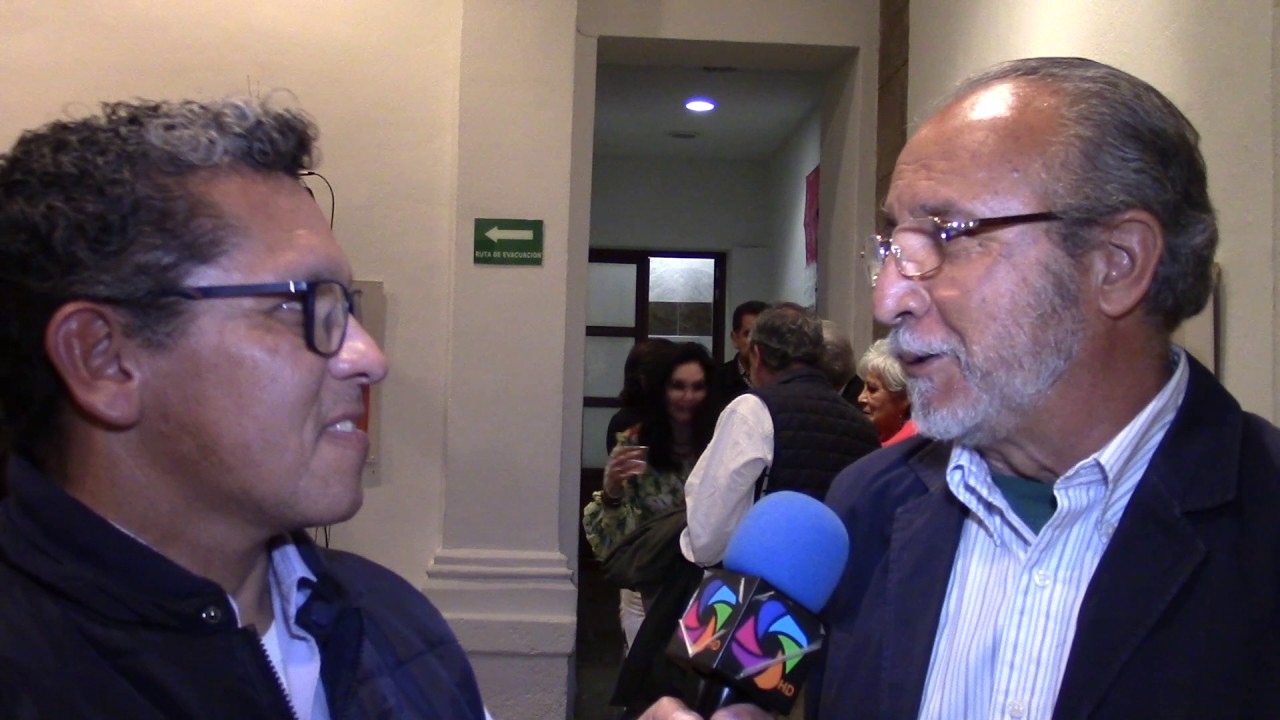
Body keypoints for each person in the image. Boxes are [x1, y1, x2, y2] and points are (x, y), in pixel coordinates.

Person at [808, 56, 1280, 719]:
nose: (888, 300)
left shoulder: (1263, 523)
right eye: (893, 246)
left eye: (948, 235)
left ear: (1117, 263)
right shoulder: (867, 503)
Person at [0, 99, 488, 718]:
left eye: (345, 306)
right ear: (105, 359)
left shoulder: (393, 620)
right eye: (296, 304)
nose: (370, 358)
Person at [680, 303, 880, 567]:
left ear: (757, 354)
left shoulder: (753, 410)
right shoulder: (863, 427)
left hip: (761, 578)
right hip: (833, 581)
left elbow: (707, 535)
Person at [708, 300, 768, 414]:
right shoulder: (716, 380)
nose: (756, 341)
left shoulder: (782, 380)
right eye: (748, 334)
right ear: (735, 339)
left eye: (763, 334)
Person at [855, 338, 916, 445]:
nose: (861, 398)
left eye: (872, 389)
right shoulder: (874, 439)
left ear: (905, 398)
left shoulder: (912, 446)